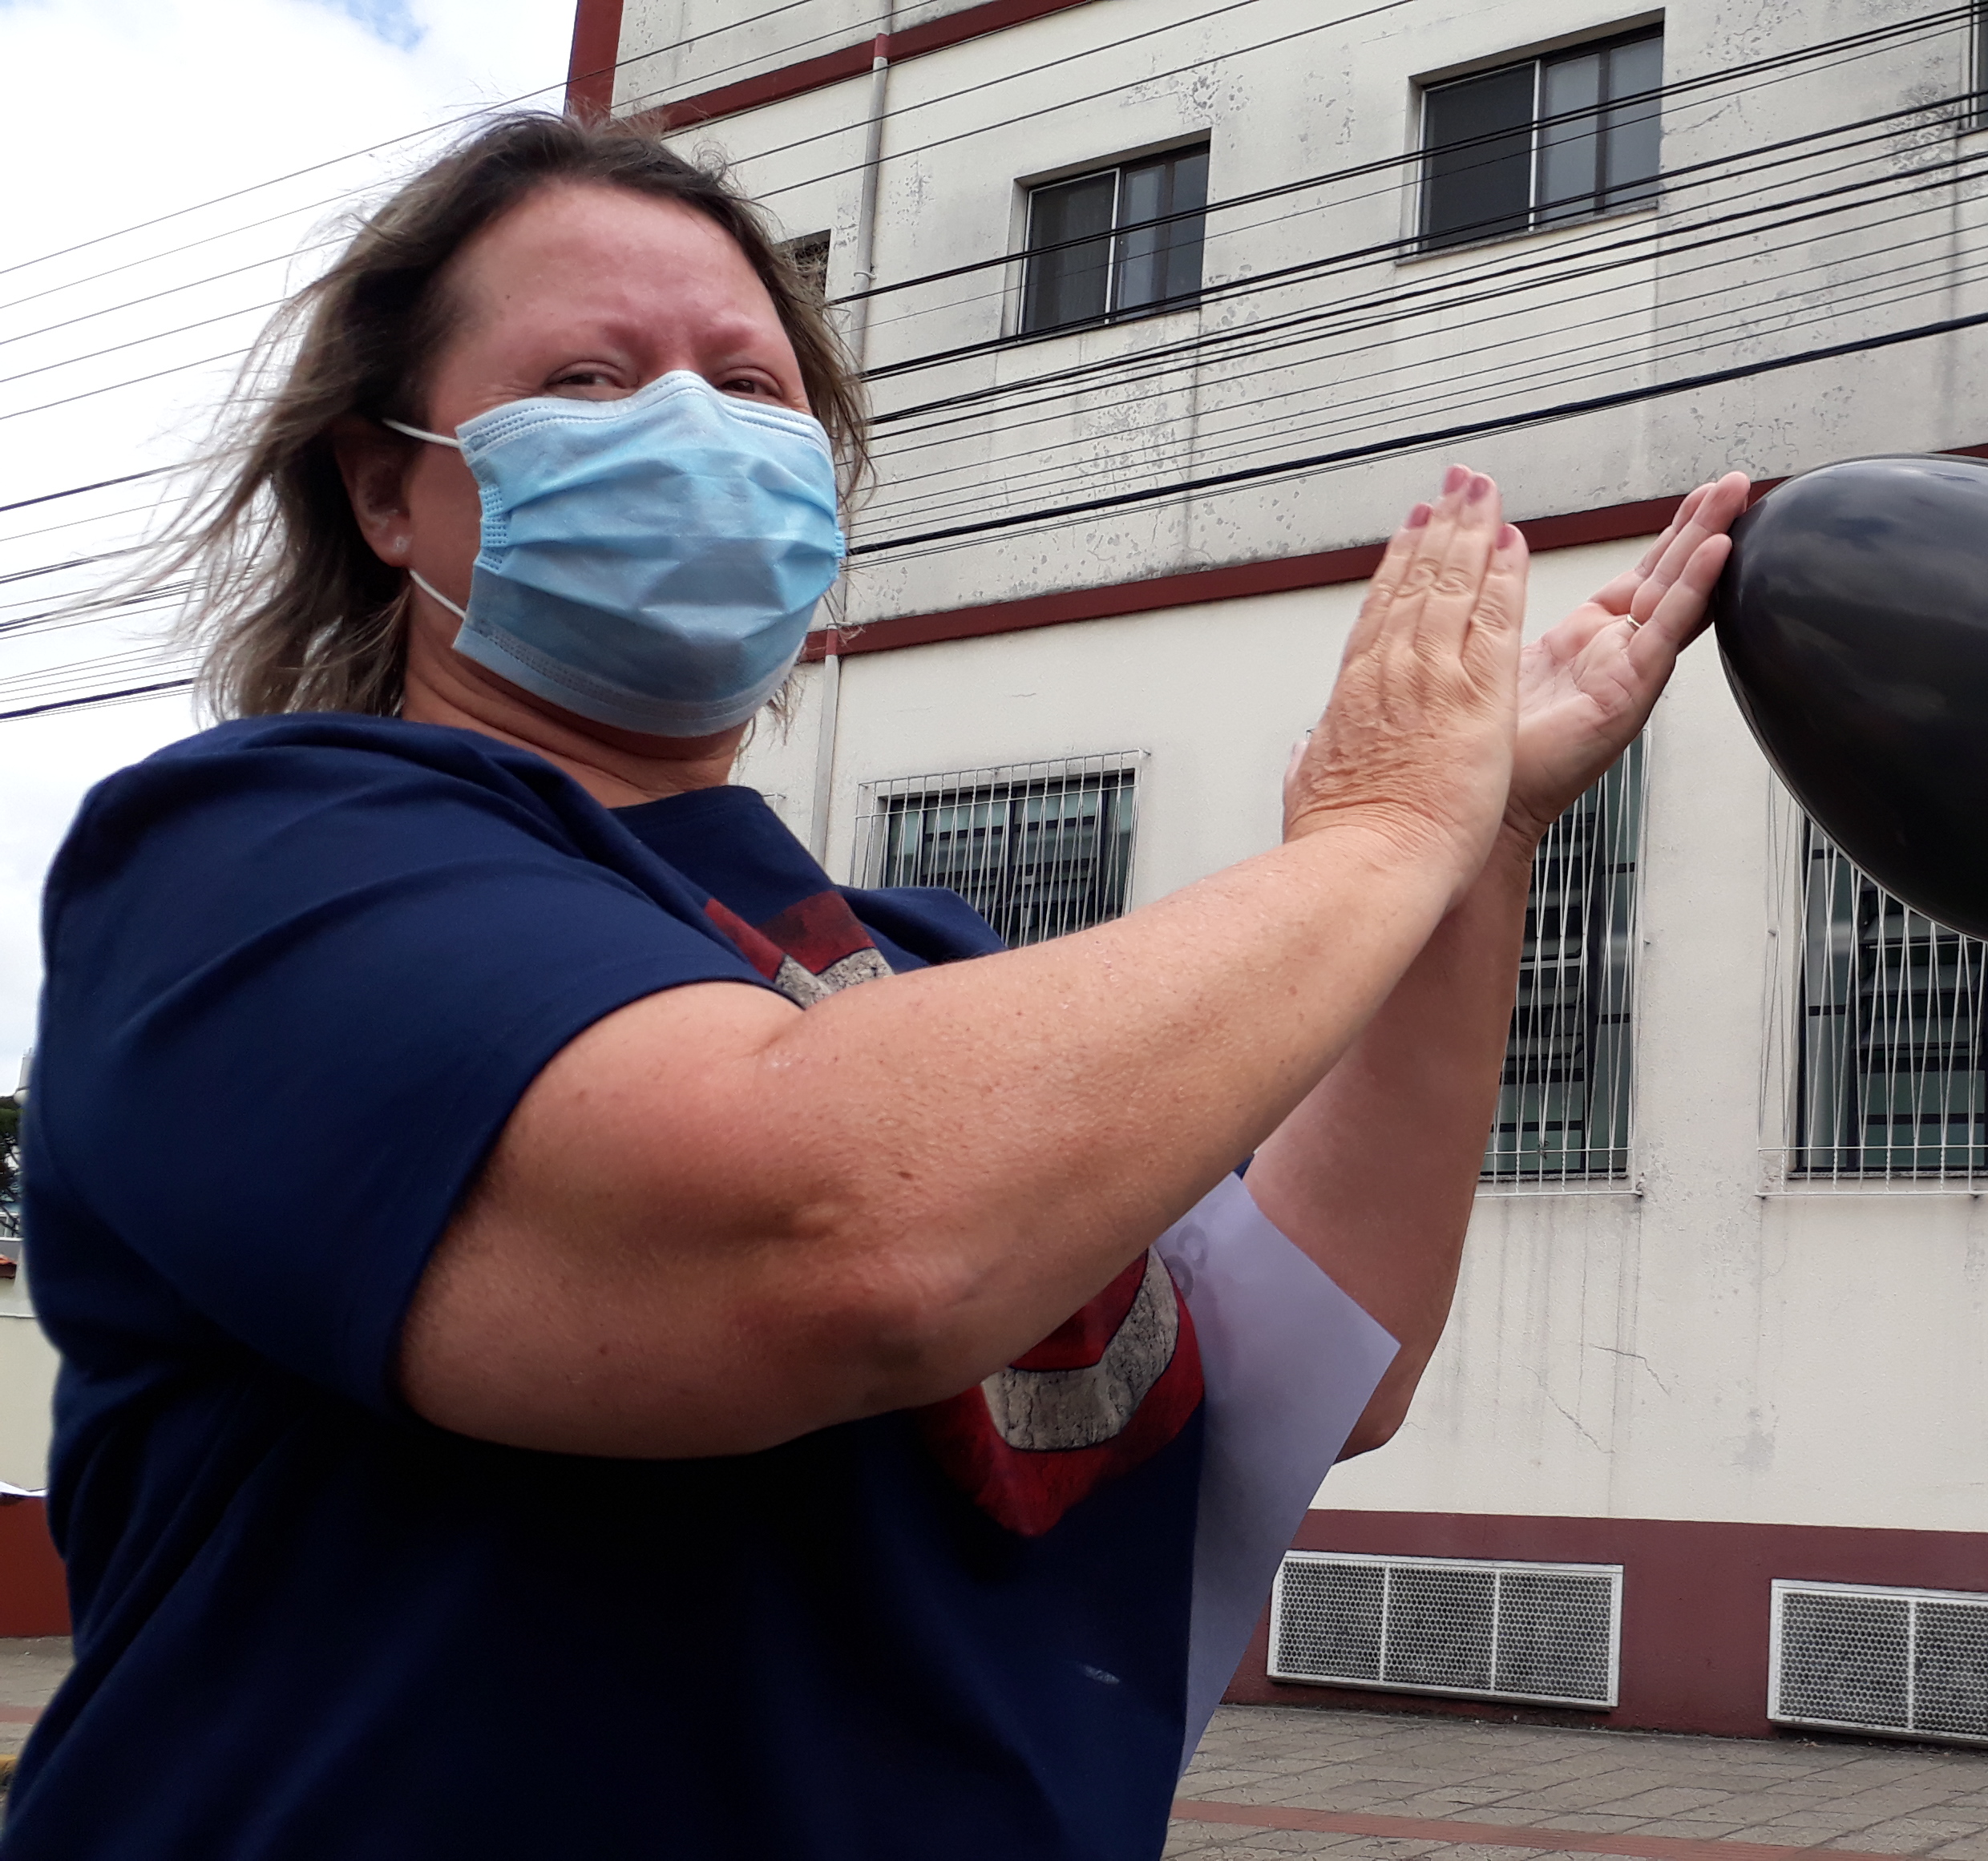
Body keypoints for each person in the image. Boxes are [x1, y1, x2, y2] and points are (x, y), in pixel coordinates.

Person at [8, 112, 1749, 1858]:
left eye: (753, 390)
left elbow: (1309, 1357)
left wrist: (1478, 845)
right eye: (594, 380)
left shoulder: (915, 972)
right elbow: (845, 1235)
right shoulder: (256, 862)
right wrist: (1375, 834)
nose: (694, 425)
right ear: (387, 490)